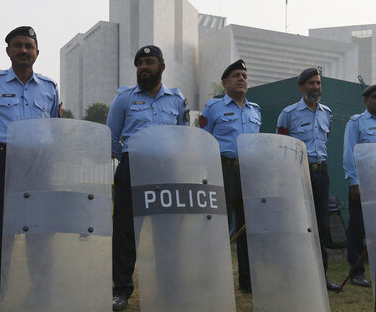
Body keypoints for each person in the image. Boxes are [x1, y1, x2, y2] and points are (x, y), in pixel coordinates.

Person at [0, 26, 60, 312]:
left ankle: (42, 291)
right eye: (18, 45)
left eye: (29, 46)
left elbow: (55, 129)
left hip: (39, 165)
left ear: (37, 52)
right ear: (8, 50)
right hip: (3, 161)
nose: (24, 50)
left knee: (40, 233)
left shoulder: (49, 87)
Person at [106, 45, 189, 310]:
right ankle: (121, 291)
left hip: (167, 172)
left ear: (161, 66)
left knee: (167, 233)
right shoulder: (124, 98)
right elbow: (110, 136)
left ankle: (168, 288)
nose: (144, 67)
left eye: (149, 62)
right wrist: (130, 158)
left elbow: (184, 136)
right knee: (126, 232)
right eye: (140, 62)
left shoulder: (177, 101)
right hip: (133, 168)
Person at [198, 59, 260, 293]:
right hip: (222, 169)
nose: (242, 78)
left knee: (247, 228)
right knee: (217, 226)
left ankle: (247, 281)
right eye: (236, 75)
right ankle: (215, 279)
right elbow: (202, 142)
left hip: (248, 171)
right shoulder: (213, 108)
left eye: (244, 75)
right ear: (225, 82)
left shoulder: (256, 110)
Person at [276, 67, 340, 291]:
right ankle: (294, 275)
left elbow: (326, 138)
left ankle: (321, 277)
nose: (316, 87)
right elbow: (282, 146)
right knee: (297, 224)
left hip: (321, 173)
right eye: (311, 83)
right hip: (297, 173)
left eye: (318, 83)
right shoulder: (288, 113)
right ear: (301, 86)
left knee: (321, 225)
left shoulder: (327, 113)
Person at [342, 83, 376, 287]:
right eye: (375, 97)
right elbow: (348, 153)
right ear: (366, 101)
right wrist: (353, 182)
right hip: (363, 182)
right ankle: (357, 272)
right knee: (358, 228)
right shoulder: (356, 122)